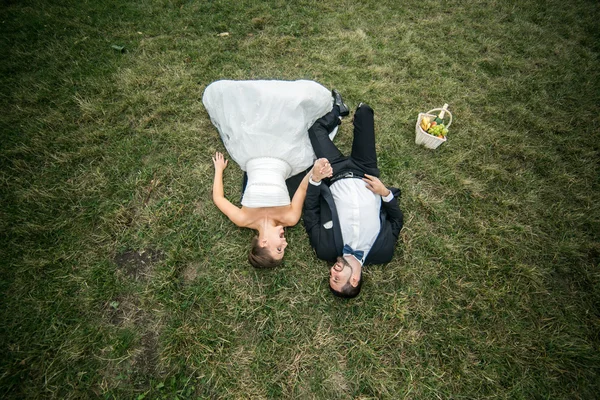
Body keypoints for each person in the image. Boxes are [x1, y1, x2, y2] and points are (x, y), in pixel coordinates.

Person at [203, 80, 338, 267]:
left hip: (251, 152)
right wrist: (315, 173)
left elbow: (219, 199)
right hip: (285, 157)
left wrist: (219, 170)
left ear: (264, 243)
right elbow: (301, 190)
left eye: (279, 248)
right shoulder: (289, 218)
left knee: (254, 114)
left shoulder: (243, 219)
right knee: (289, 115)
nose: (286, 243)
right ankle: (336, 110)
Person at [303, 98, 404, 298]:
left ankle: (339, 110)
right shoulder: (383, 252)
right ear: (354, 280)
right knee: (365, 112)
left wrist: (315, 180)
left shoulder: (324, 249)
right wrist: (385, 193)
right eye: (336, 279)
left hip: (334, 173)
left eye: (330, 276)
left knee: (315, 131)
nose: (332, 272)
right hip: (364, 171)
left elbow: (311, 214)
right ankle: (358, 111)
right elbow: (397, 220)